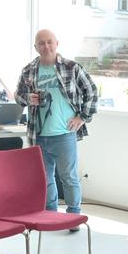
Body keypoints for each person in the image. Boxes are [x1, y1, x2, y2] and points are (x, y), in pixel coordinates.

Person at [14, 29, 97, 224]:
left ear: (57, 43)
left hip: (64, 133)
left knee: (69, 177)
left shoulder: (71, 67)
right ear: (36, 47)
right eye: (41, 43)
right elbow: (18, 96)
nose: (46, 46)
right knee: (45, 178)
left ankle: (73, 216)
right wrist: (28, 98)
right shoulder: (28, 70)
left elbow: (91, 91)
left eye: (49, 42)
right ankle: (50, 215)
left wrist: (82, 117)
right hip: (38, 134)